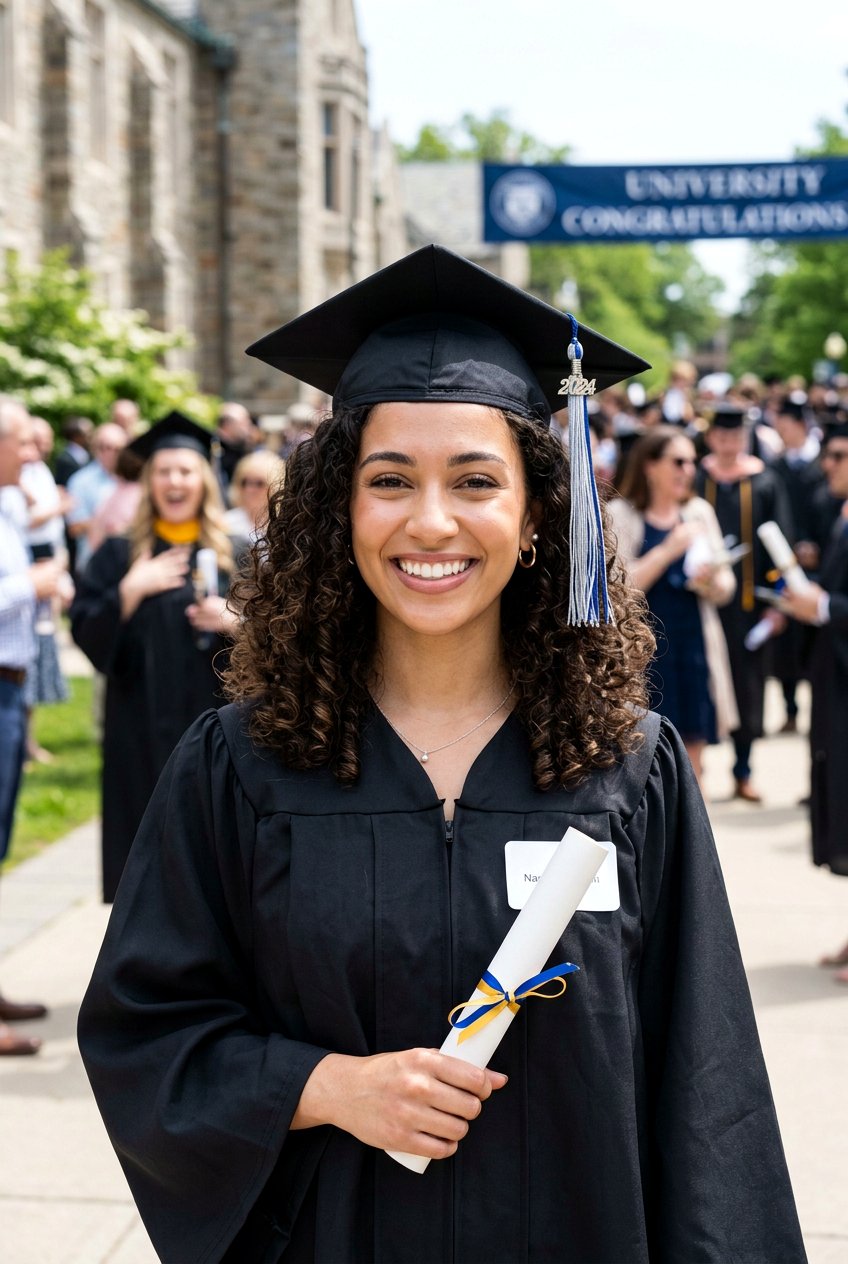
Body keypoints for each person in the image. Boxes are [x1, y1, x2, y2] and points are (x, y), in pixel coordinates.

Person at [77, 247, 805, 1263]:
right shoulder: (241, 766)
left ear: (537, 513)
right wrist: (324, 1085)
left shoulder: (626, 770)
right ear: (339, 508)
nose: (430, 520)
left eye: (475, 480)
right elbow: (145, 1035)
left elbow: (706, 1093)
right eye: (388, 480)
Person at [70, 413, 245, 902]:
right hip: (140, 729)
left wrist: (234, 623)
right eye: (164, 471)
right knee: (148, 876)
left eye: (185, 471)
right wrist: (128, 592)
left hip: (219, 729)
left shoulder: (237, 553)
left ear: (204, 480)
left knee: (218, 868)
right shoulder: (121, 554)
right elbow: (86, 631)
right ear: (149, 480)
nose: (174, 481)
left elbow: (280, 643)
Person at [609, 427, 737, 788]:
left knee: (695, 753)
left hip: (693, 645)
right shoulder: (621, 513)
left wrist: (710, 579)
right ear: (650, 465)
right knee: (641, 758)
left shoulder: (699, 512)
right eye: (678, 461)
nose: (687, 470)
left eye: (692, 462)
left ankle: (696, 837)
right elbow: (617, 588)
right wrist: (669, 550)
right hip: (643, 654)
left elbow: (726, 586)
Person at [0, 397, 65, 1056]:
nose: (31, 454)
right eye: (21, 442)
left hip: (10, 689)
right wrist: (36, 584)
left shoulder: (10, 508)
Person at [695, 403, 794, 802]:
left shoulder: (765, 481)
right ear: (712, 438)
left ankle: (743, 769)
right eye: (723, 435)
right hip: (702, 603)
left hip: (751, 607)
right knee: (703, 685)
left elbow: (780, 540)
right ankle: (696, 771)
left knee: (749, 686)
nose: (730, 443)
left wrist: (779, 601)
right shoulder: (698, 478)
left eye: (737, 436)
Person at [780, 419, 848, 982]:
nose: (830, 465)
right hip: (835, 681)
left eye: (841, 455)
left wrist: (823, 608)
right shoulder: (841, 513)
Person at [65, 422, 127, 574]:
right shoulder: (80, 481)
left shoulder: (133, 480)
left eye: (117, 449)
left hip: (127, 563)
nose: (110, 453)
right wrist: (111, 524)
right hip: (93, 565)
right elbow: (75, 527)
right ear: (94, 448)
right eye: (104, 447)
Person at [224, 449, 286, 542]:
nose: (250, 489)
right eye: (245, 482)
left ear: (275, 486)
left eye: (259, 483)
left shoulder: (282, 526)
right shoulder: (226, 523)